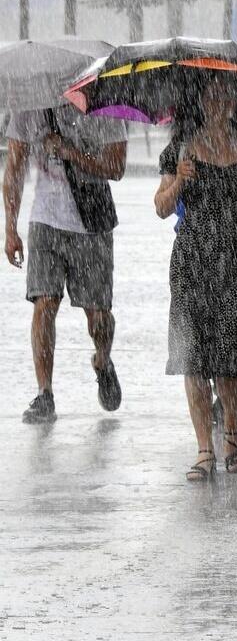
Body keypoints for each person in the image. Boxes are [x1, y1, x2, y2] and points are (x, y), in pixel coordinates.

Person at [154, 76, 237, 482]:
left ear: (236, 100)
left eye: (225, 92)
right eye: (210, 92)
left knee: (231, 362)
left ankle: (231, 428)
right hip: (193, 262)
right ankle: (203, 448)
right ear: (198, 99)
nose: (218, 99)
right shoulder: (178, 150)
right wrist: (179, 179)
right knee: (193, 360)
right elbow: (161, 207)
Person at [3, 107, 127, 424]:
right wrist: (10, 229)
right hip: (45, 220)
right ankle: (45, 394)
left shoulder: (101, 101)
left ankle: (102, 360)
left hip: (91, 220)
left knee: (98, 315)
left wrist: (68, 151)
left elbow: (117, 166)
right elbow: (14, 167)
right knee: (45, 302)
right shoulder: (28, 104)